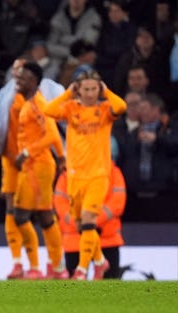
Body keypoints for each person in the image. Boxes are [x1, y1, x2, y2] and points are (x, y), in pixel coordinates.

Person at [0, 58, 63, 279]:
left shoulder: (46, 92)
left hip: (34, 161)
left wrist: (62, 155)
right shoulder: (7, 94)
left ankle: (48, 265)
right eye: (14, 72)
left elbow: (56, 125)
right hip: (12, 159)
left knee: (39, 214)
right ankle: (22, 263)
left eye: (20, 73)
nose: (16, 76)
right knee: (17, 211)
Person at [44, 70, 127, 280]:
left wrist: (107, 92)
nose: (90, 93)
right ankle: (100, 261)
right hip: (74, 176)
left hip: (98, 174)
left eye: (94, 89)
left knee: (89, 220)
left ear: (99, 89)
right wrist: (67, 95)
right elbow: (49, 110)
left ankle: (81, 270)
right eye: (86, 89)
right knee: (82, 225)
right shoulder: (71, 109)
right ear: (78, 90)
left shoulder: (105, 110)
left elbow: (121, 107)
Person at [13, 62, 67, 279]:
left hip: (38, 166)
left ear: (34, 81)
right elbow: (52, 131)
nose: (18, 81)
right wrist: (61, 156)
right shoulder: (30, 103)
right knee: (44, 217)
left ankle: (37, 267)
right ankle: (58, 268)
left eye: (23, 78)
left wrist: (27, 152)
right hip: (36, 165)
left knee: (22, 216)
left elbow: (53, 135)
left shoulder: (37, 103)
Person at [54, 161, 126, 279]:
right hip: (75, 241)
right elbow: (60, 203)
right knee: (75, 292)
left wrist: (89, 221)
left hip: (107, 240)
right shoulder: (67, 174)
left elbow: (117, 202)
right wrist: (80, 222)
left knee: (109, 289)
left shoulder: (112, 172)